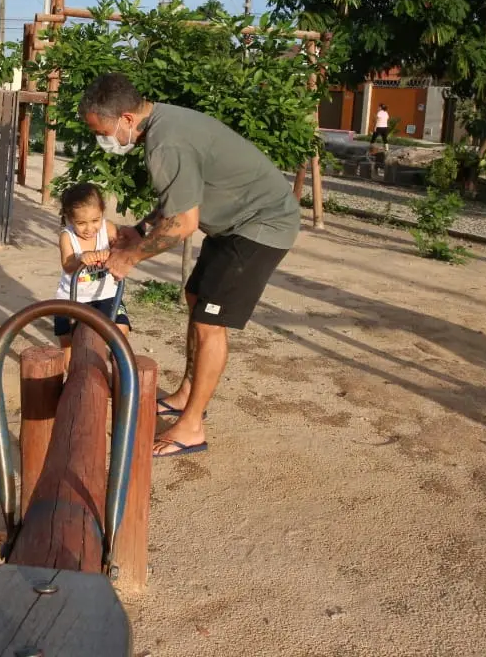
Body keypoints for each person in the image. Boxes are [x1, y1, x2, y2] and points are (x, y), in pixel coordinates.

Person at [81, 72, 300, 458]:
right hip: (236, 222)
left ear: (128, 119)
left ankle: (192, 426)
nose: (105, 142)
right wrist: (140, 229)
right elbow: (178, 199)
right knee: (196, 295)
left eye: (104, 132)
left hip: (262, 224)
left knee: (209, 323)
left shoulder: (167, 143)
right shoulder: (164, 122)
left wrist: (129, 256)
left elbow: (183, 224)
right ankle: (186, 394)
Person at [53, 182, 131, 365]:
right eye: (81, 223)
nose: (89, 229)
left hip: (106, 293)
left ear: (102, 212)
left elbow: (121, 252)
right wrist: (80, 258)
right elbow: (67, 264)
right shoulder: (67, 236)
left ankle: (119, 371)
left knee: (120, 330)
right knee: (68, 342)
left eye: (95, 220)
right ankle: (69, 378)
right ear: (69, 219)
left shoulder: (108, 229)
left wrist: (114, 254)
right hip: (73, 296)